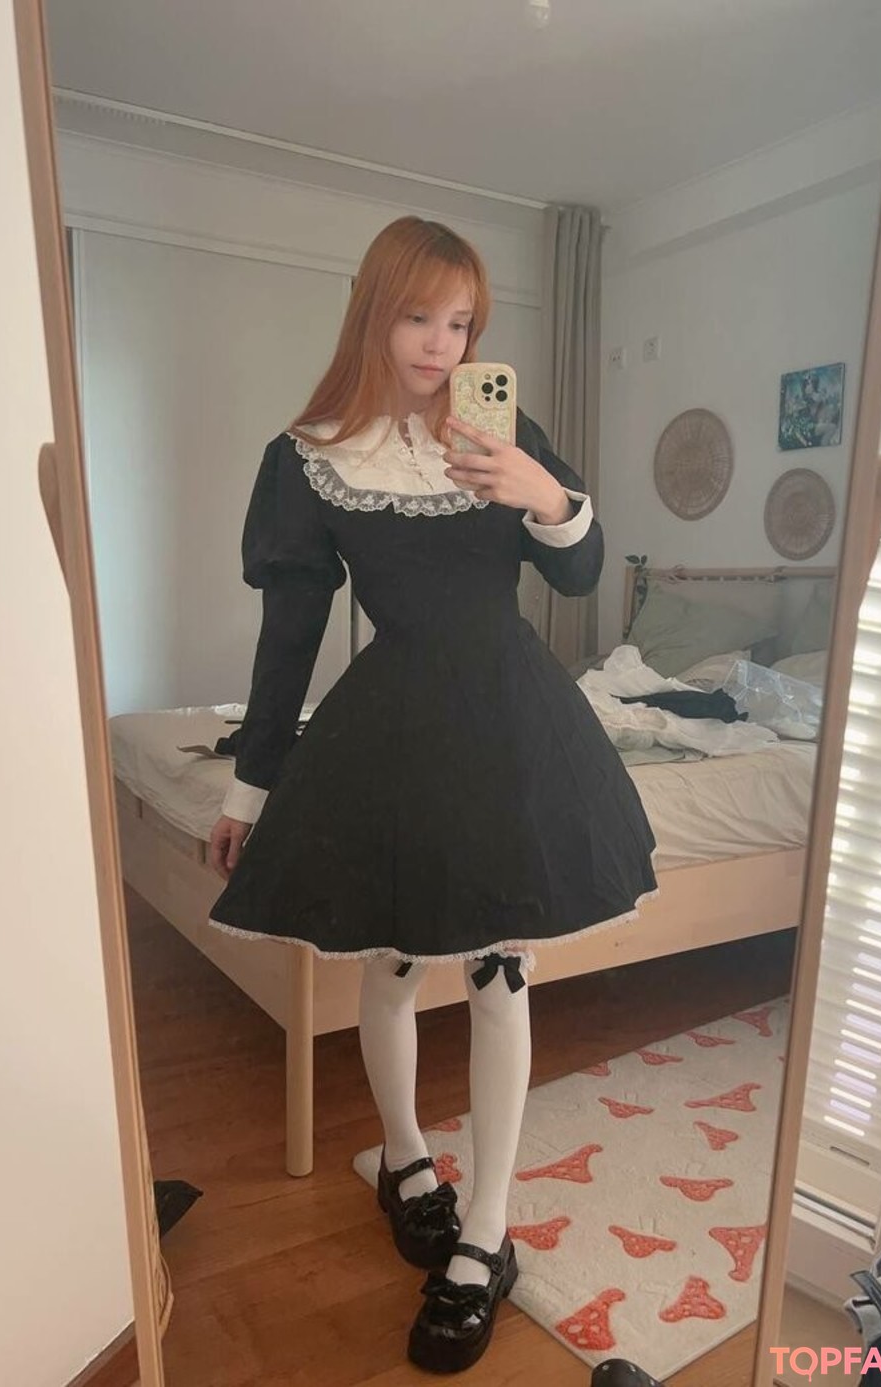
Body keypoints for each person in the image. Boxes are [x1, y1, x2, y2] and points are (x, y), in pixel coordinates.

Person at [207, 215, 658, 1373]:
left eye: (461, 323)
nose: (441, 343)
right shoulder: (310, 454)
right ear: (374, 309)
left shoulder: (500, 428)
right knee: (394, 963)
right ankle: (406, 1157)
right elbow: (289, 639)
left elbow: (579, 572)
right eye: (419, 315)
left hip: (510, 720)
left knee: (503, 973)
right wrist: (250, 795)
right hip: (396, 726)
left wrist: (542, 491)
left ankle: (486, 1235)